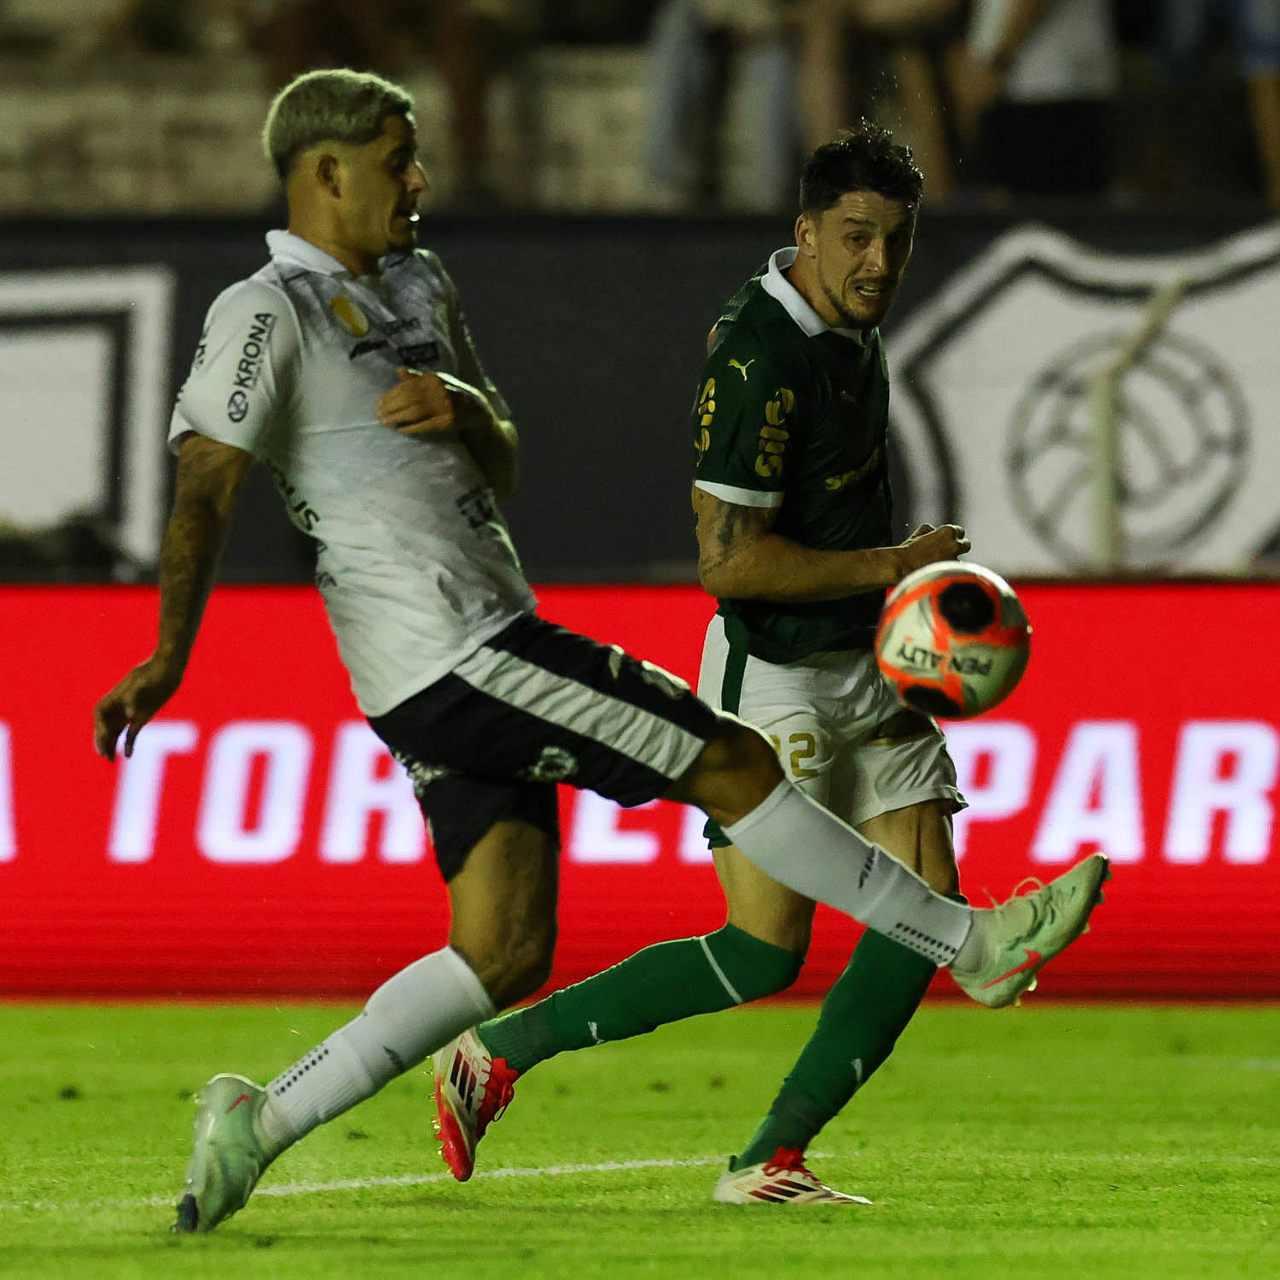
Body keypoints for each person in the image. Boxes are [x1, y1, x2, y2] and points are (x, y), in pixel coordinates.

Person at [92, 70, 1106, 1234]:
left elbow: (501, 453)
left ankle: (259, 1118)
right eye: (395, 158)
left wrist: (462, 405)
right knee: (728, 761)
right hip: (454, 646)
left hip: (468, 641)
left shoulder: (417, 283)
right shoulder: (265, 312)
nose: (419, 178)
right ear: (325, 172)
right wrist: (169, 653)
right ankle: (970, 941)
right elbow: (205, 483)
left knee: (504, 947)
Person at [431, 122, 1107, 1205]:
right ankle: (495, 1052)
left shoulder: (846, 325)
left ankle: (772, 1155)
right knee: (763, 949)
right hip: (773, 674)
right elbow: (729, 564)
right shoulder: (760, 359)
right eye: (856, 237)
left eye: (896, 240)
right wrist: (893, 564)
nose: (878, 263)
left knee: (925, 902)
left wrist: (895, 591)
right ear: (807, 231)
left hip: (867, 660)